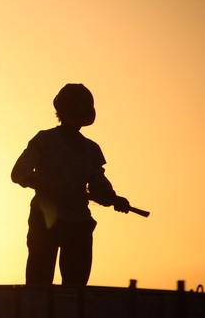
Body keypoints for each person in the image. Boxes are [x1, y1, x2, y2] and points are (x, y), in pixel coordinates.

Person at [11, 84, 130, 286]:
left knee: (75, 290)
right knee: (39, 286)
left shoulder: (90, 149)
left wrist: (114, 199)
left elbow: (98, 186)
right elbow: (19, 173)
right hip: (45, 220)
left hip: (78, 224)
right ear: (63, 112)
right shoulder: (44, 141)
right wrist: (48, 187)